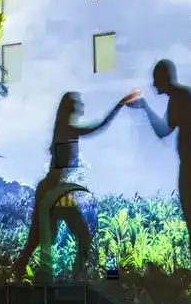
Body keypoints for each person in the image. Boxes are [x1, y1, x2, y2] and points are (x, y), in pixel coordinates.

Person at [15, 90, 140, 281]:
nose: (81, 106)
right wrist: (119, 105)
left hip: (52, 190)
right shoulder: (67, 129)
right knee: (81, 236)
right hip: (56, 192)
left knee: (36, 239)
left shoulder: (63, 129)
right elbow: (99, 127)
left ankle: (18, 274)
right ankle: (77, 277)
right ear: (70, 107)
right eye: (77, 103)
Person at [134, 59, 191, 284]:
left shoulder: (180, 98)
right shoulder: (182, 96)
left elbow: (163, 130)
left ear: (164, 78)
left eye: (156, 78)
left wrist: (144, 107)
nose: (153, 84)